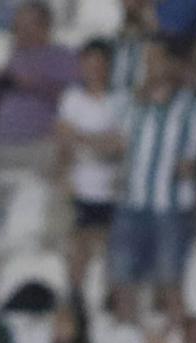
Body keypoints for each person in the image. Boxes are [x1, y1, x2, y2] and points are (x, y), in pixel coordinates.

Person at [112, 37, 196, 321]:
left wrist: (195, 163)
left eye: (157, 59)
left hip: (171, 206)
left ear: (172, 64)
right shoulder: (133, 105)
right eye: (147, 61)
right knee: (123, 280)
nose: (150, 67)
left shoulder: (192, 106)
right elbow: (118, 141)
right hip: (132, 202)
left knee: (170, 280)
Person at [0, 1, 81, 176]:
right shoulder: (14, 57)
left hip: (36, 144)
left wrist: (34, 84)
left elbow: (76, 102)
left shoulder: (62, 56)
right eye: (17, 25)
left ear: (44, 26)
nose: (19, 31)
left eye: (26, 25)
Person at [56, 40, 129, 301]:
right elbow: (64, 140)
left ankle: (113, 296)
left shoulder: (121, 100)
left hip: (112, 188)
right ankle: (75, 295)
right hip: (82, 185)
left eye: (99, 64)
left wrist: (84, 139)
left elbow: (120, 145)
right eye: (89, 64)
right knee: (79, 245)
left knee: (113, 247)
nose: (94, 70)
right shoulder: (72, 99)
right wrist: (99, 142)